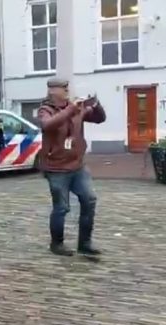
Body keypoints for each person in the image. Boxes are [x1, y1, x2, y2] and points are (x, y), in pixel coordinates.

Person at [37, 77, 106, 257]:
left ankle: (85, 244)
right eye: (64, 88)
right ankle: (57, 244)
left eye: (68, 88)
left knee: (89, 199)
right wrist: (70, 110)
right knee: (61, 207)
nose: (68, 90)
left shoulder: (76, 108)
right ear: (53, 91)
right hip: (56, 168)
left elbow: (99, 119)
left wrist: (96, 104)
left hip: (77, 166)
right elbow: (48, 125)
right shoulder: (45, 110)